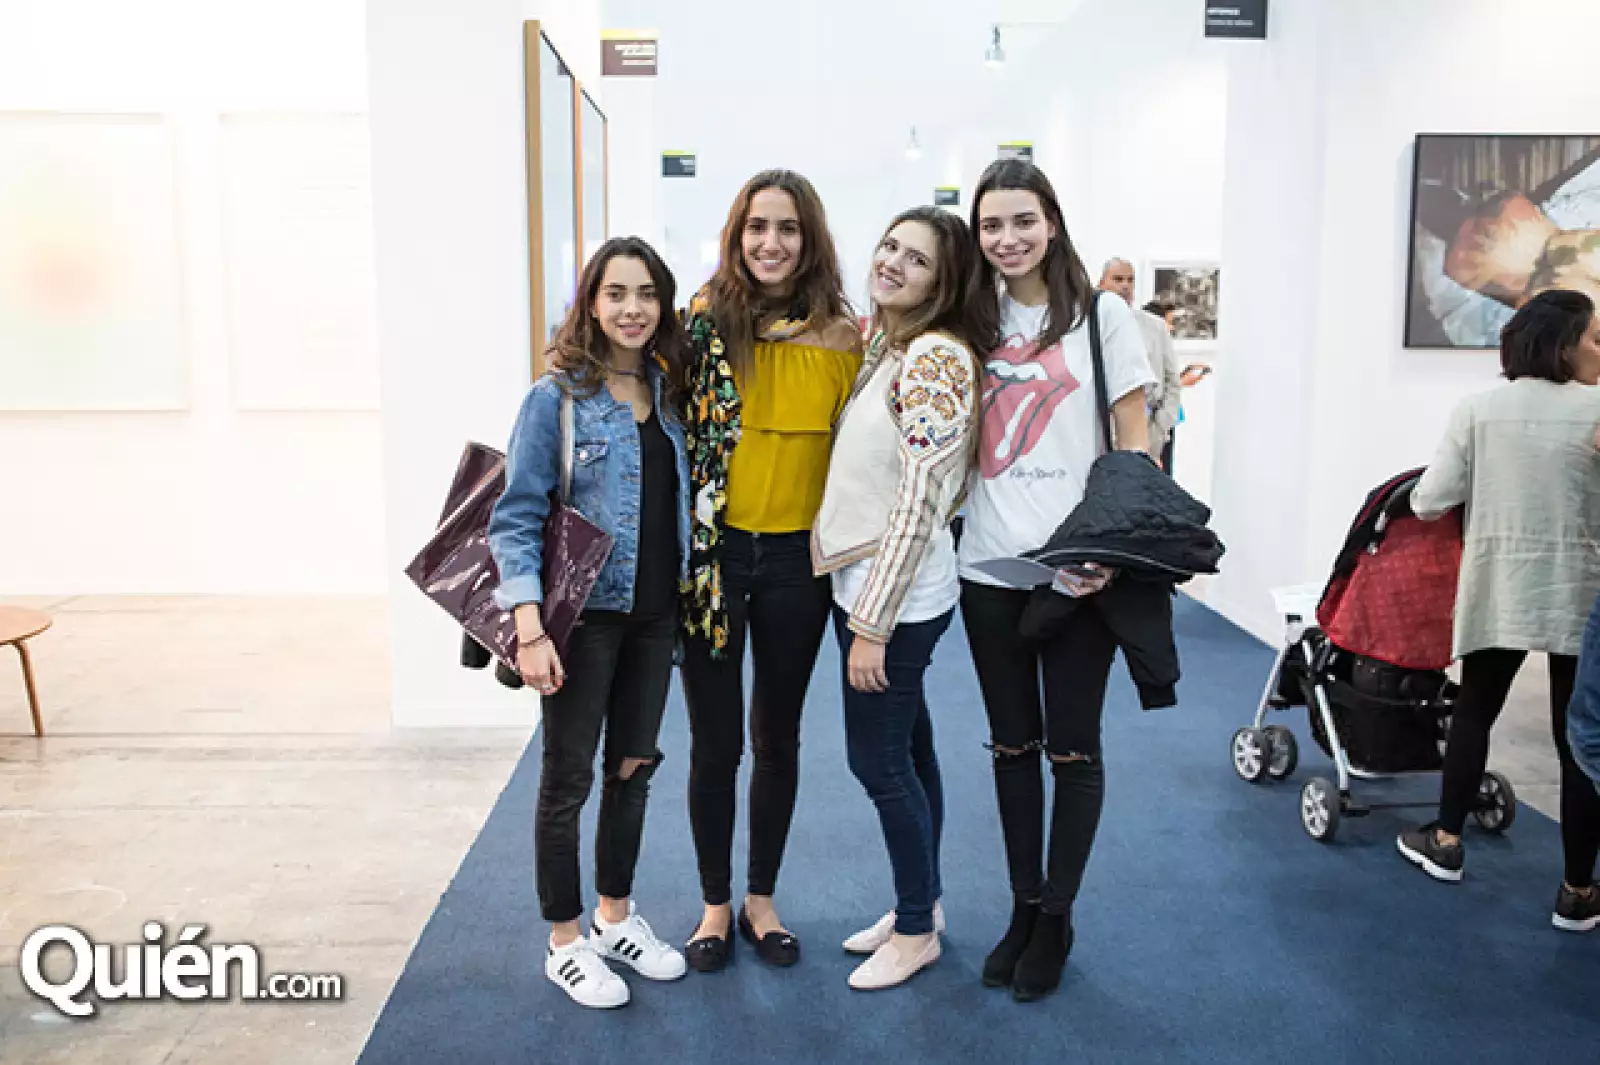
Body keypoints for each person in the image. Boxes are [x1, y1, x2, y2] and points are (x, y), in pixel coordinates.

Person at [958, 159, 1154, 1002]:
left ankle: (1059, 915)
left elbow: (1134, 441)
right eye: (991, 225)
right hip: (988, 565)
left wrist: (1105, 551)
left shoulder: (1103, 316)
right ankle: (1023, 903)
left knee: (1073, 747)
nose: (1007, 239)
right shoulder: (967, 317)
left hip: (1081, 567)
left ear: (1053, 222)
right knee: (1011, 747)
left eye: (1022, 221)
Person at [488, 237, 693, 1008]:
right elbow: (515, 517)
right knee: (568, 780)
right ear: (591, 301)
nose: (633, 308)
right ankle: (565, 939)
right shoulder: (558, 397)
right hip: (583, 620)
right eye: (616, 293)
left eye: (646, 293)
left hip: (653, 618)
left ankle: (615, 914)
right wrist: (529, 626)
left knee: (634, 771)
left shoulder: (670, 394)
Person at [679, 169, 863, 971]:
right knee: (715, 743)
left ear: (809, 238)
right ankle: (714, 904)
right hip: (715, 557)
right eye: (757, 227)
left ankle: (762, 897)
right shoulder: (700, 323)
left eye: (787, 228)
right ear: (736, 233)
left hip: (799, 560)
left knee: (776, 736)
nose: (770, 243)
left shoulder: (843, 336)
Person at [1395, 288, 1600, 935]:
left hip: (1500, 585)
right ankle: (1576, 888)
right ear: (1564, 344)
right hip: (1581, 589)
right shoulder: (1598, 411)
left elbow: (1430, 500)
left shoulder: (1479, 410)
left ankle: (1447, 841)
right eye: (1596, 338)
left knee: (1474, 712)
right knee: (1580, 739)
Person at [812, 207, 979, 990]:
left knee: (876, 759)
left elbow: (920, 498)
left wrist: (871, 625)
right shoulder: (895, 345)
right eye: (889, 246)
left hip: (898, 597)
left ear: (943, 282)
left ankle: (916, 930)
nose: (892, 263)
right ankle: (924, 904)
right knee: (909, 750)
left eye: (915, 260)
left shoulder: (938, 356)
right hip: (872, 582)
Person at [1099, 259, 1181, 470]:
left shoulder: (1155, 327)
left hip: (1149, 431)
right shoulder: (1086, 326)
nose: (1125, 286)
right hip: (1102, 435)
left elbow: (1172, 381)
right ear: (1101, 283)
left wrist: (1159, 429)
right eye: (1118, 279)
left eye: (1130, 280)